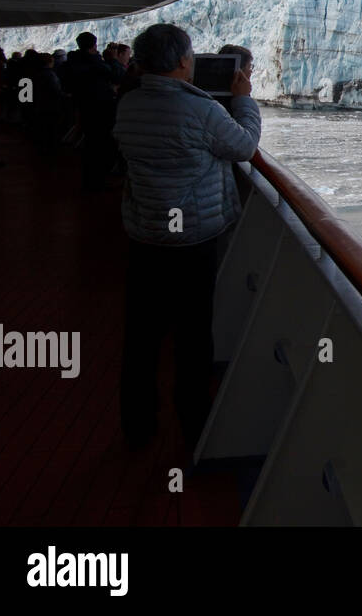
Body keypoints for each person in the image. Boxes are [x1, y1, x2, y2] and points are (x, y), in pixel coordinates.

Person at [112, 23, 260, 452]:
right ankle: (196, 425)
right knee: (193, 337)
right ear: (182, 61)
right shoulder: (202, 111)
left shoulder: (129, 103)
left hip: (145, 236)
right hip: (192, 239)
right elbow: (245, 146)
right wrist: (243, 101)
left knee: (142, 334)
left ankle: (137, 425)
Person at [63, 31, 122, 190]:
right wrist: (113, 60)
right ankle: (97, 181)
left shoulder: (73, 61)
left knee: (91, 145)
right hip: (100, 109)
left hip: (84, 107)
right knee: (101, 145)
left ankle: (90, 180)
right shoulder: (94, 64)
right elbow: (117, 76)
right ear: (93, 46)